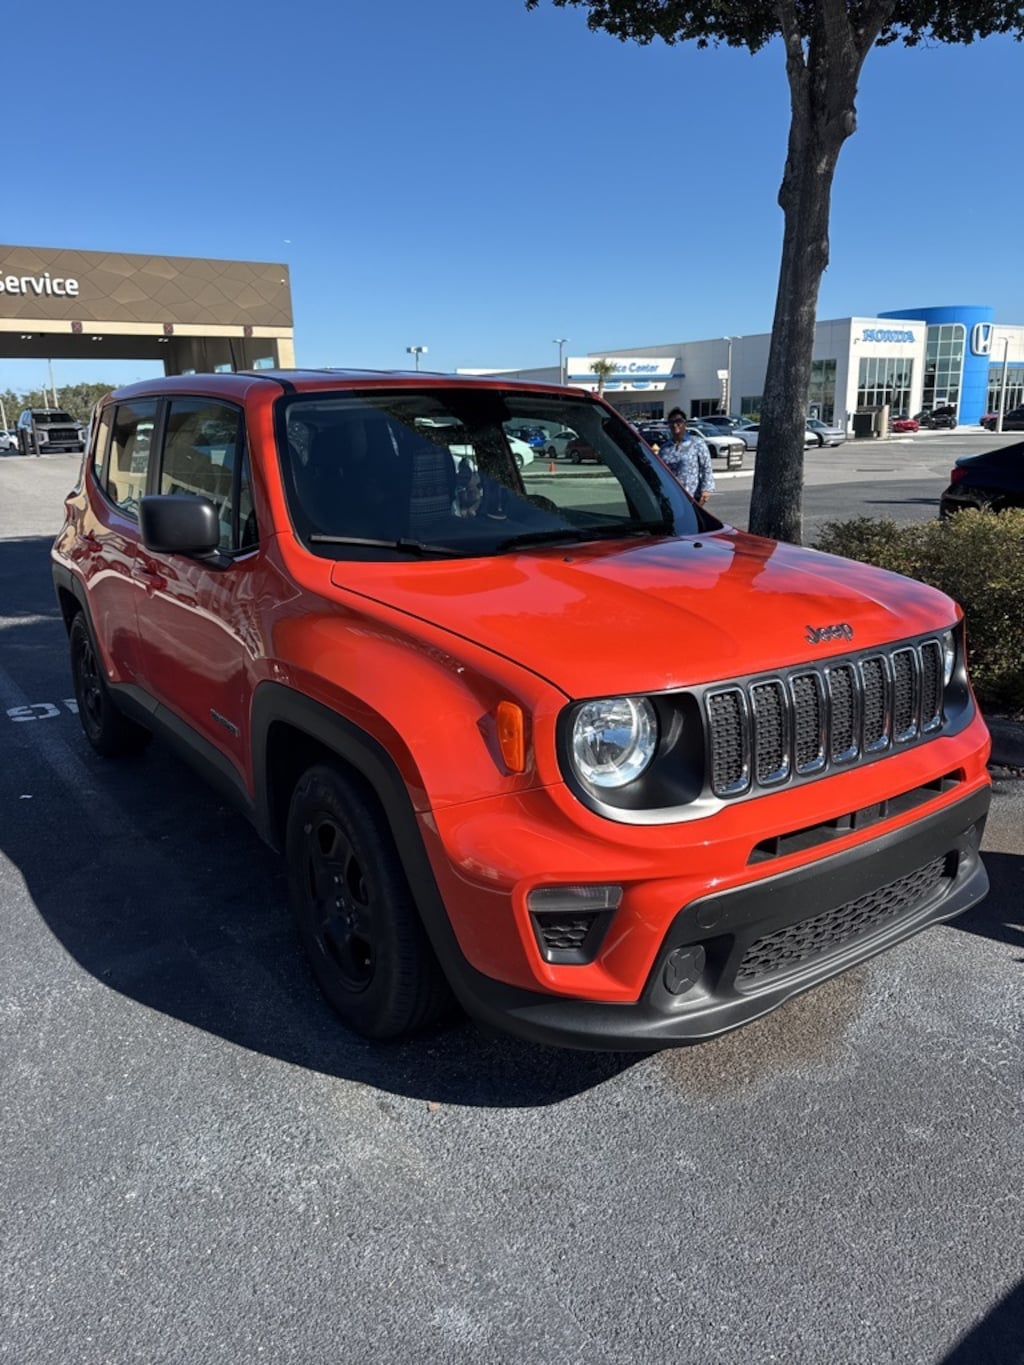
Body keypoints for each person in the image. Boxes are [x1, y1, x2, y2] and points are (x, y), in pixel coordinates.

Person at [659, 408, 714, 505]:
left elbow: (706, 467)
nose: (675, 425)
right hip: (671, 496)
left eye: (679, 421)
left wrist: (706, 489)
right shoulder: (664, 448)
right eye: (671, 422)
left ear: (685, 424)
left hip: (691, 495)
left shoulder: (697, 443)